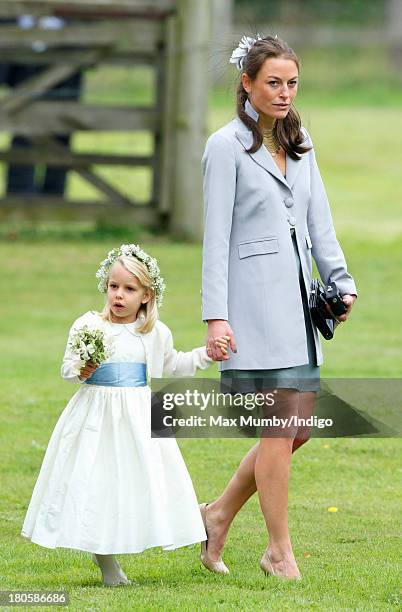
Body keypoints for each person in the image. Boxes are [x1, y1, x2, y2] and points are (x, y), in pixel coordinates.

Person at [200, 34, 357, 580]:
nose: (284, 92)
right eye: (273, 82)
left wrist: (340, 280)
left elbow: (320, 220)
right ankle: (278, 550)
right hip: (252, 309)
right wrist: (215, 317)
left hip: (297, 309)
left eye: (291, 83)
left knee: (298, 430)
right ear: (247, 84)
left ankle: (217, 514)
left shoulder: (300, 140)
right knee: (278, 427)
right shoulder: (224, 147)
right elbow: (215, 238)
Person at [21, 243, 227, 586]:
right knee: (98, 482)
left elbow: (173, 365)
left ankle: (139, 536)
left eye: (129, 289)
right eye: (114, 287)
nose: (119, 295)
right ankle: (108, 565)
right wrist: (82, 370)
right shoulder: (89, 325)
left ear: (146, 295)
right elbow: (67, 368)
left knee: (134, 483)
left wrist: (206, 355)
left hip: (137, 418)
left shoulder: (154, 333)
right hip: (95, 417)